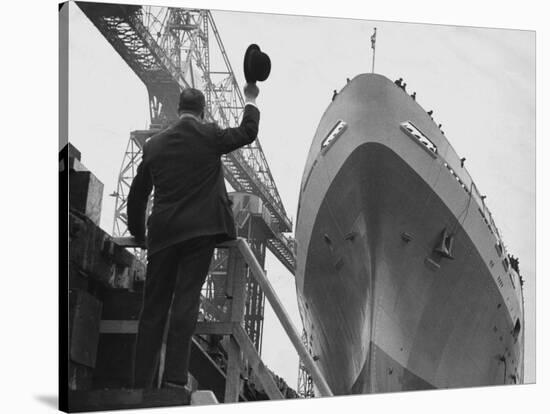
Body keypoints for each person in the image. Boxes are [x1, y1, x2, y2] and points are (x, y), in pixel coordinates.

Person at [127, 83, 261, 390]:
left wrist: (138, 232)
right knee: (185, 303)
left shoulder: (154, 145)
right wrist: (251, 99)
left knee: (153, 310)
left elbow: (137, 196)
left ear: (178, 110)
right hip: (200, 233)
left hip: (162, 236)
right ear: (201, 113)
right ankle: (174, 381)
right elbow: (246, 133)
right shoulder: (210, 135)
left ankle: (140, 385)